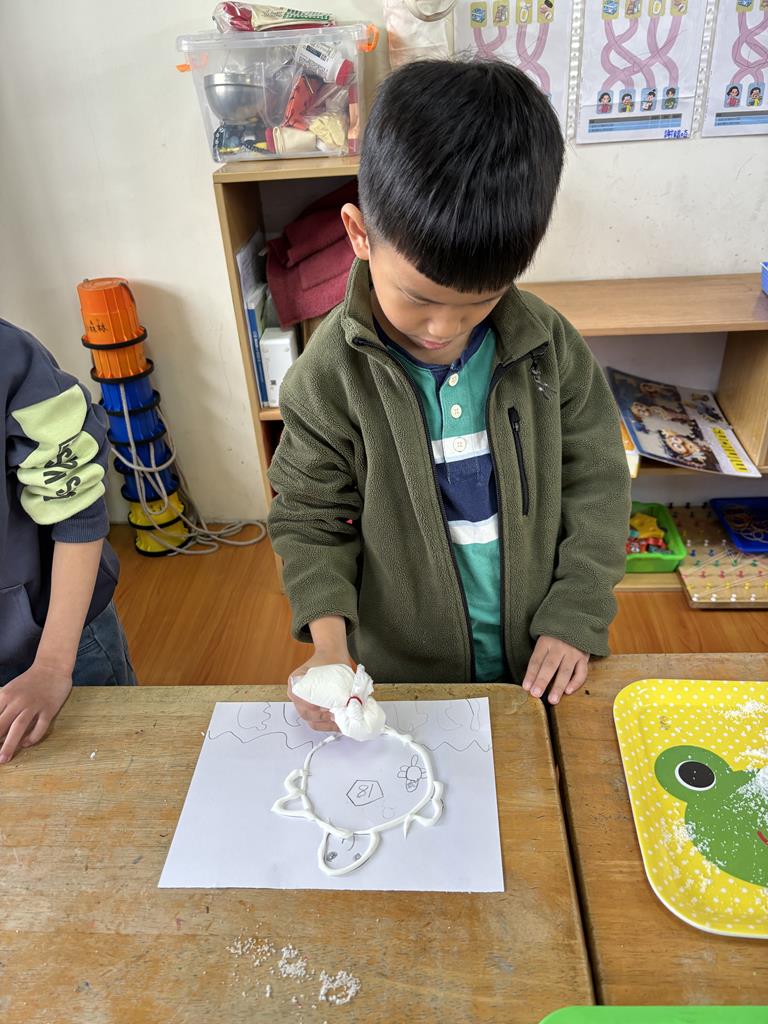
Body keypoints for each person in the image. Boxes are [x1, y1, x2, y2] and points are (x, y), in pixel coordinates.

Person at [267, 60, 630, 728]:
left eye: (479, 303)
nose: (444, 329)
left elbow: (598, 485)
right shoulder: (328, 378)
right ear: (358, 234)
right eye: (419, 299)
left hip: (539, 665)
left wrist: (577, 613)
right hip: (403, 684)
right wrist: (330, 649)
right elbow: (310, 519)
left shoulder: (547, 348)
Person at [0, 319, 135, 764]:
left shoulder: (10, 358)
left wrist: (52, 666)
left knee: (113, 762)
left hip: (57, 636)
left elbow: (78, 512)